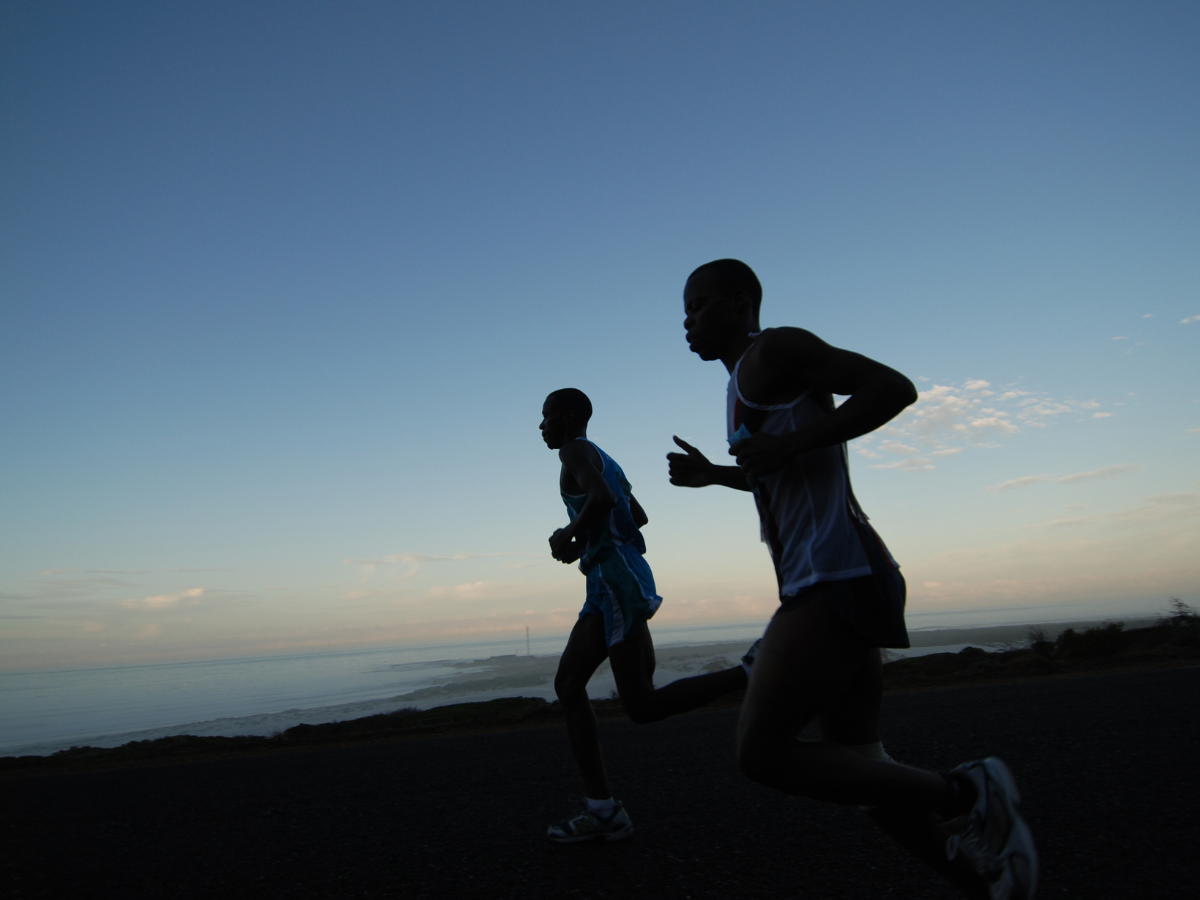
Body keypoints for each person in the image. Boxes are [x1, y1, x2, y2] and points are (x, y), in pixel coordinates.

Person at [666, 260, 1038, 900]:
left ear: (736, 301)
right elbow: (782, 469)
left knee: (762, 754)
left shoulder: (774, 349)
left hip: (836, 574)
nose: (687, 321)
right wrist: (717, 476)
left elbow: (892, 388)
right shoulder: (742, 384)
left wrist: (791, 445)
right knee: (862, 770)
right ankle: (985, 880)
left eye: (697, 306)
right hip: (843, 575)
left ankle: (968, 789)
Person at [540, 387, 749, 843]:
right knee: (570, 684)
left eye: (547, 416)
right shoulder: (604, 457)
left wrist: (567, 536)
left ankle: (751, 673)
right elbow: (637, 513)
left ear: (570, 416)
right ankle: (602, 809)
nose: (541, 427)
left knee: (641, 706)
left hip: (615, 579)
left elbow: (606, 502)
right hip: (612, 578)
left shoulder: (575, 450)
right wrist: (587, 539)